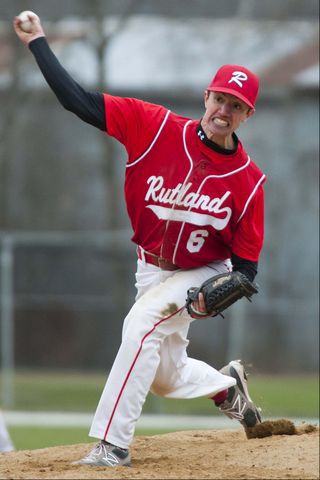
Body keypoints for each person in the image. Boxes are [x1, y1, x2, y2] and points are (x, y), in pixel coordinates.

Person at [14, 13, 266, 468]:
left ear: (248, 114)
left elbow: (246, 268)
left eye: (236, 105)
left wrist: (220, 294)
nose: (224, 111)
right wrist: (38, 44)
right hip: (150, 268)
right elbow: (78, 102)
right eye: (220, 98)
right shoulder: (154, 128)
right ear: (205, 96)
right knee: (165, 377)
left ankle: (112, 446)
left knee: (141, 325)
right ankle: (226, 387)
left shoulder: (247, 183)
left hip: (201, 272)